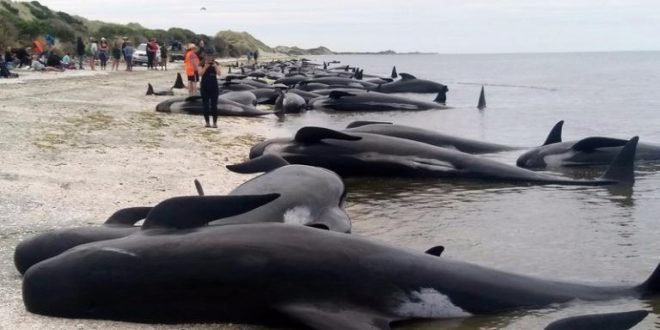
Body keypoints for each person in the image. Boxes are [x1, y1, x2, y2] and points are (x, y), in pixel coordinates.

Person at [199, 51, 220, 128]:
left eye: (210, 56)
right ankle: (207, 122)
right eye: (207, 56)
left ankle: (215, 123)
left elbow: (219, 73)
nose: (209, 57)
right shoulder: (201, 63)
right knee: (205, 105)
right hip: (205, 87)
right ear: (205, 56)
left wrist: (215, 67)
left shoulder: (216, 63)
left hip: (214, 87)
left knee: (214, 106)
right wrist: (205, 66)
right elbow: (200, 74)